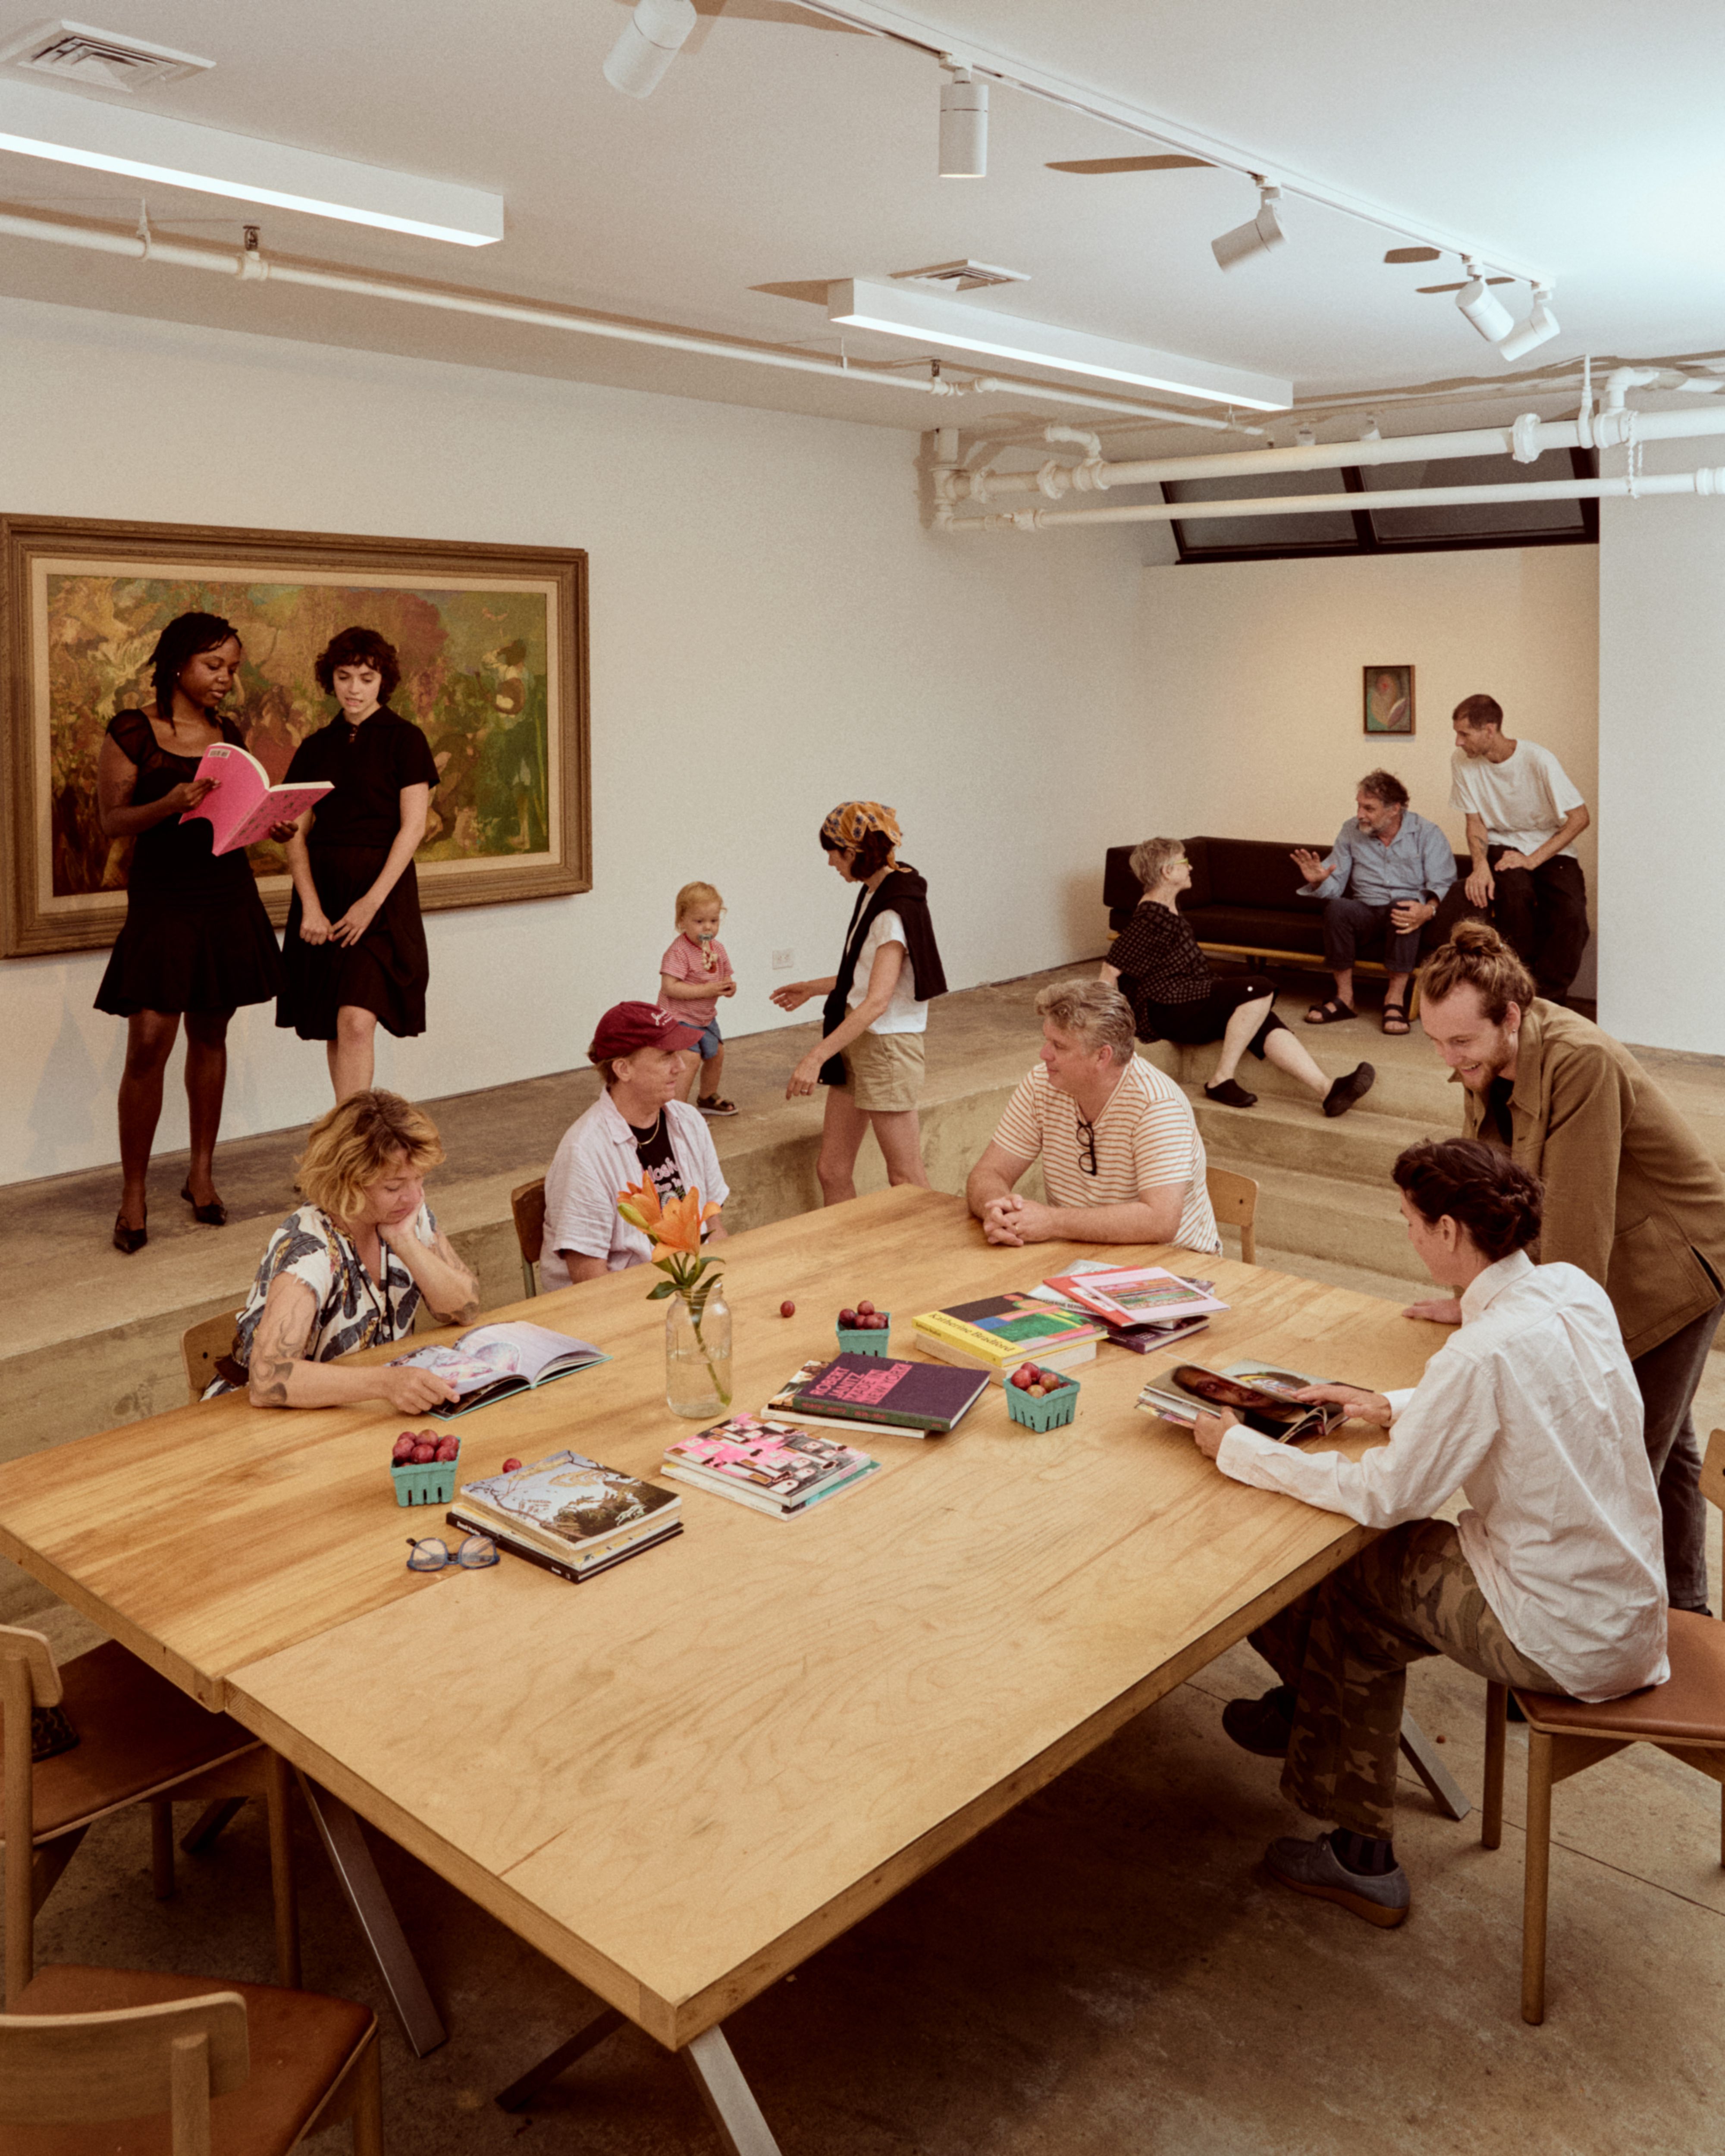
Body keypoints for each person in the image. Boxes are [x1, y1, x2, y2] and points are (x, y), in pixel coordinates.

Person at [1193, 1138, 1667, 1928]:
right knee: (1367, 1575)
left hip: (1562, 1634)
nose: (1406, 1234)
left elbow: (1387, 1495)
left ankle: (1359, 1852)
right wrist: (1385, 1403)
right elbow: (1516, 1390)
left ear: (1450, 1231)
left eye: (1411, 1221)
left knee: (1343, 1581)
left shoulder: (1478, 1353)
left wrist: (1239, 1449)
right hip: (1623, 1606)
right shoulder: (1572, 1290)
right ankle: (1311, 1714)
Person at [1416, 921, 1725, 1614]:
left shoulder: (1582, 1062)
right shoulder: (1486, 1056)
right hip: (1617, 1251)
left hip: (1672, 1263)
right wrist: (1470, 1294)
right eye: (1435, 1040)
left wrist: (1494, 1313)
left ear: (1512, 1017)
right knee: (1666, 1445)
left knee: (1616, 1455)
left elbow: (1575, 1239)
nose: (1448, 1057)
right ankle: (1684, 1613)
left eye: (1460, 1042)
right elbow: (1490, 1195)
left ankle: (1602, 1635)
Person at [93, 611, 287, 1253]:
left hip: (224, 895)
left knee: (211, 1030)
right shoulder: (131, 731)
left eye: (232, 667)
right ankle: (132, 1194)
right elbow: (114, 822)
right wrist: (169, 804)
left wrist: (272, 823)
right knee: (148, 1042)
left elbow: (231, 821)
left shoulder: (227, 735)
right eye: (214, 666)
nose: (226, 679)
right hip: (164, 902)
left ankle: (201, 1175)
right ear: (178, 663)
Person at [208, 1090, 479, 1409]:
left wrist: (405, 1242)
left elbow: (465, 1308)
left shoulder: (404, 1215)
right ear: (347, 1181)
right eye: (393, 1187)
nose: (414, 1196)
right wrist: (385, 1383)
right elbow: (268, 1380)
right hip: (260, 1424)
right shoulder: (310, 1246)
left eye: (419, 1179)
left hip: (355, 1409)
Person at [276, 627, 439, 1100]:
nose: (353, 687)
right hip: (323, 892)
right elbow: (295, 831)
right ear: (330, 679)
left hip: (382, 896)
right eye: (344, 676)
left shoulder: (406, 740)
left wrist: (371, 902)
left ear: (382, 680)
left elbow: (413, 829)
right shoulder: (314, 747)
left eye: (366, 677)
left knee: (355, 1019)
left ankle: (351, 1148)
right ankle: (345, 1144)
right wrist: (309, 905)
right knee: (336, 1022)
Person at [1104, 837, 1376, 1116]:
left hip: (1187, 999)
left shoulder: (1166, 908)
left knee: (1263, 1018)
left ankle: (1327, 1089)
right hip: (1168, 1009)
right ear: (1167, 872)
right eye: (1185, 862)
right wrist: (1109, 1031)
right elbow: (1110, 971)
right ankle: (1222, 1078)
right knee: (1259, 988)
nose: (1191, 867)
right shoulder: (1150, 915)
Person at [772, 802, 947, 1204]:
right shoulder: (877, 893)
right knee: (831, 1170)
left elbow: (878, 1001)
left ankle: (934, 1260)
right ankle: (846, 1259)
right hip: (861, 1039)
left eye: (833, 852)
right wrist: (812, 988)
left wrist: (815, 1057)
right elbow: (865, 977)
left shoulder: (893, 911)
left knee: (906, 1177)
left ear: (853, 852)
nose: (831, 862)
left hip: (885, 1049)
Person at [966, 980, 1221, 1253]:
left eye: (1059, 1046)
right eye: (1046, 1040)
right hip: (1082, 1253)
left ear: (1102, 1056)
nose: (1044, 1054)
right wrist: (999, 1210)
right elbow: (990, 1172)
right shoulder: (1041, 1083)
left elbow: (1159, 1221)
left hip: (1175, 1263)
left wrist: (1053, 1222)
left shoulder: (1157, 1105)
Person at [540, 1002, 731, 1288]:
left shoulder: (689, 1121)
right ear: (623, 1069)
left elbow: (713, 1225)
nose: (680, 1066)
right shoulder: (584, 1152)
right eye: (667, 1056)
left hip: (688, 1292)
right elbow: (590, 1283)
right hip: (620, 1306)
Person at [1446, 693, 1590, 1004]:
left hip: (1547, 848)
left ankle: (1548, 1001)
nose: (1458, 742)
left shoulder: (1538, 759)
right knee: (1514, 898)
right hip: (1501, 843)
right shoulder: (1462, 762)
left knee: (1572, 917)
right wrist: (1480, 866)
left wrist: (1532, 860)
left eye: (1464, 734)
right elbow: (1475, 821)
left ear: (1490, 729)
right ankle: (1519, 991)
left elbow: (1580, 818)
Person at [1291, 771, 1458, 1034]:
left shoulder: (1427, 833)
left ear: (1395, 810)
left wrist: (1428, 910)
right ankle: (1345, 999)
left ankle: (1394, 1000)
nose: (1360, 814)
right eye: (1359, 806)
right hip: (1366, 910)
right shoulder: (1350, 830)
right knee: (1338, 909)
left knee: (1404, 905)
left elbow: (1444, 881)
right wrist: (1318, 881)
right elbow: (1336, 884)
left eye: (1369, 808)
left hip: (1408, 913)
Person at [659, 880, 737, 1116]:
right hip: (678, 1017)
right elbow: (670, 987)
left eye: (714, 921)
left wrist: (729, 988)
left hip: (705, 1017)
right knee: (690, 1059)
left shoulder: (717, 950)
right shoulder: (679, 952)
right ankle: (677, 1110)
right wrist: (708, 990)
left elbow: (726, 977)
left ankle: (707, 1097)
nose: (708, 928)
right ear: (682, 922)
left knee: (717, 1053)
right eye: (699, 922)